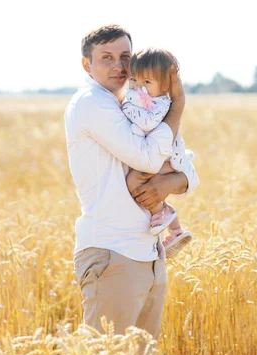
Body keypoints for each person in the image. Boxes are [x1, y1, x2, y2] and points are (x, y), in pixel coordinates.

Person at [64, 24, 199, 339]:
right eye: (106, 57)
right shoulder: (91, 102)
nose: (118, 66)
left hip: (149, 256)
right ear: (87, 64)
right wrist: (178, 106)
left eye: (125, 56)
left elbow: (186, 172)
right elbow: (150, 160)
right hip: (113, 254)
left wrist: (169, 184)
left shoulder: (136, 103)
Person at [122, 48, 194, 259]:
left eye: (147, 83)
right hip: (159, 155)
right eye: (134, 80)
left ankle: (162, 215)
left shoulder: (161, 104)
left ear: (164, 87)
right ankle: (176, 230)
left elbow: (148, 122)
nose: (137, 87)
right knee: (139, 183)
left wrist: (126, 106)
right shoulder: (146, 101)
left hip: (167, 159)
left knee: (134, 181)